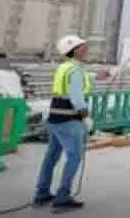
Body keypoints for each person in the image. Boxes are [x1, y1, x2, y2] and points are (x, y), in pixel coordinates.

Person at [33, 34, 91, 211]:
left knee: (51, 156)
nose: (85, 48)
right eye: (82, 46)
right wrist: (85, 116)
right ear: (74, 50)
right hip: (69, 120)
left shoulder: (64, 67)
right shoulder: (75, 70)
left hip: (55, 118)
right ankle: (62, 197)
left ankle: (41, 194)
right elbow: (76, 98)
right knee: (74, 156)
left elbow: (71, 87)